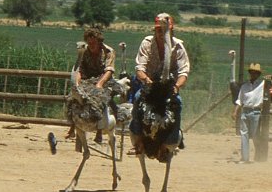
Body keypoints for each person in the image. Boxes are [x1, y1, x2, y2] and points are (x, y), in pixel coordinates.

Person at [129, 13, 190, 147]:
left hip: (169, 87)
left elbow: (183, 71)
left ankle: (172, 140)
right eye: (158, 29)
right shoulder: (147, 43)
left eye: (164, 30)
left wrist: (177, 86)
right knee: (138, 98)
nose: (161, 33)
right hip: (150, 84)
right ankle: (138, 138)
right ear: (154, 30)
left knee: (178, 103)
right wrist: (146, 80)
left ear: (171, 30)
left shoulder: (178, 46)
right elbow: (140, 67)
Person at [65, 27, 117, 142]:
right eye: (89, 43)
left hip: (104, 79)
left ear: (99, 41)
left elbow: (109, 70)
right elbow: (80, 69)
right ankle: (72, 126)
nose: (91, 45)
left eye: (93, 43)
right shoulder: (84, 51)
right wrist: (77, 83)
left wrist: (100, 84)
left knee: (100, 97)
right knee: (72, 96)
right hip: (88, 79)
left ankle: (99, 131)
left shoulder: (108, 51)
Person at [233, 62, 264, 163]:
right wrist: (235, 111)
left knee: (255, 135)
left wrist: (271, 78)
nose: (253, 74)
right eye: (252, 72)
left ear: (258, 74)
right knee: (244, 134)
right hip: (245, 111)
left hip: (256, 112)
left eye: (256, 73)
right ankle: (245, 158)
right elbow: (240, 100)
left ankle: (259, 156)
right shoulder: (244, 86)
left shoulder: (263, 84)